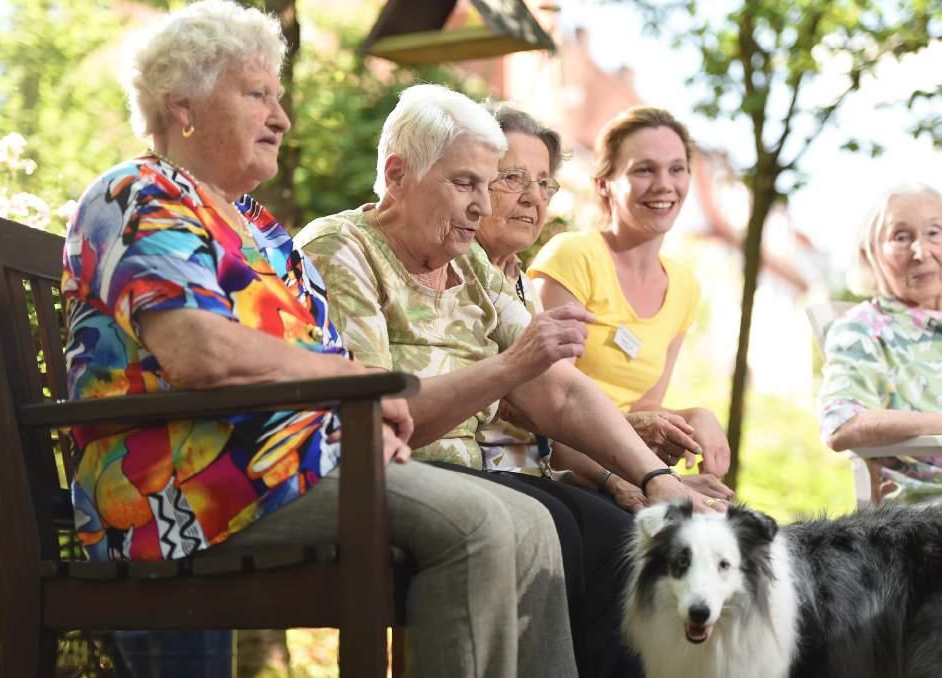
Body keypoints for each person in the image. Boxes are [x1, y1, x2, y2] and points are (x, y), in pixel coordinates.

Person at [61, 2, 576, 676]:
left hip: (283, 465)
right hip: (182, 488)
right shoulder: (140, 193)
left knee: (532, 523)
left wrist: (368, 414)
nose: (282, 117)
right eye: (256, 94)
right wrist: (361, 389)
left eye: (279, 96)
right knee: (477, 524)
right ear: (181, 107)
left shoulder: (263, 233)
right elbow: (199, 350)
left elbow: (328, 360)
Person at [295, 84, 726, 678]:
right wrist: (509, 366)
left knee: (621, 537)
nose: (482, 205)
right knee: (555, 528)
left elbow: (562, 389)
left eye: (486, 183)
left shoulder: (467, 261)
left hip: (473, 473)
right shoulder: (341, 247)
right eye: (467, 183)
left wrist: (654, 479)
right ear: (397, 176)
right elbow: (377, 414)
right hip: (393, 472)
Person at [476, 103, 732, 514]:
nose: (664, 184)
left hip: (621, 462)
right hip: (573, 461)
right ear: (604, 184)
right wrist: (634, 479)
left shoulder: (684, 286)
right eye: (644, 170)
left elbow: (644, 408)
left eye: (677, 169)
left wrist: (691, 420)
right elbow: (551, 404)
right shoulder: (575, 255)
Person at [818, 184, 942, 504]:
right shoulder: (863, 330)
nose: (921, 251)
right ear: (870, 253)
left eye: (934, 232)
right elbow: (842, 423)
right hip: (925, 514)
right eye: (901, 237)